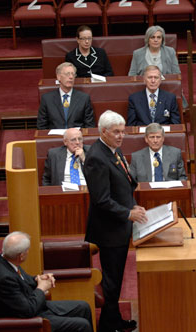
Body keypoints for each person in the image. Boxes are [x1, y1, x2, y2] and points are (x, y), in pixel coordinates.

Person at [83, 110, 148, 332]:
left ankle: (113, 321)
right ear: (103, 132)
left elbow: (124, 183)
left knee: (116, 279)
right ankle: (108, 325)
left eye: (123, 132)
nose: (121, 136)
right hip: (109, 231)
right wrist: (127, 213)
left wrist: (132, 204)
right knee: (111, 281)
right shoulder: (96, 158)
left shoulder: (112, 149)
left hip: (118, 226)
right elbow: (101, 200)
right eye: (116, 132)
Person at [0, 231, 93, 332]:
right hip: (30, 319)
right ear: (21, 256)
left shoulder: (6, 258)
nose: (28, 252)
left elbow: (23, 280)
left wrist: (38, 279)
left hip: (34, 304)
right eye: (27, 250)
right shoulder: (4, 279)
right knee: (82, 325)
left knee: (84, 307)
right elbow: (28, 311)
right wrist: (41, 288)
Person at [37, 62, 96, 129]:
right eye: (67, 74)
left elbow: (90, 126)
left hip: (76, 137)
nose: (71, 77)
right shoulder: (47, 99)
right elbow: (41, 127)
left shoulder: (84, 98)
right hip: (55, 138)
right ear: (59, 77)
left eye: (73, 74)